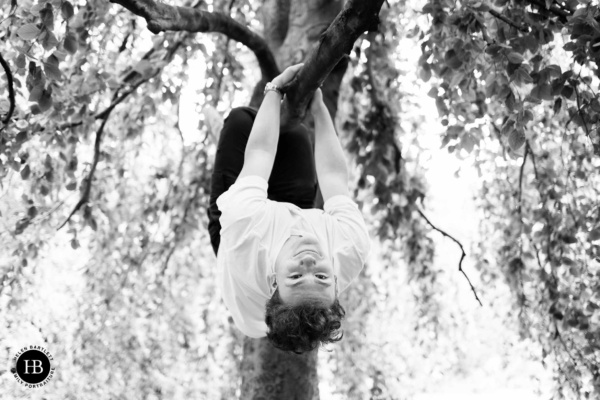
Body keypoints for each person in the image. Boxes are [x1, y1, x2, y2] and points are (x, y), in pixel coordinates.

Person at [207, 63, 371, 354]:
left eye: (295, 277)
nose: (309, 264)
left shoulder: (245, 227)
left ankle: (219, 138)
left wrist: (275, 88)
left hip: (242, 239)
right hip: (298, 214)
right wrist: (320, 109)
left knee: (241, 121)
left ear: (274, 281)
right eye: (322, 277)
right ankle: (236, 150)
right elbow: (333, 176)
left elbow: (260, 152)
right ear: (336, 279)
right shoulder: (351, 246)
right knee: (295, 134)